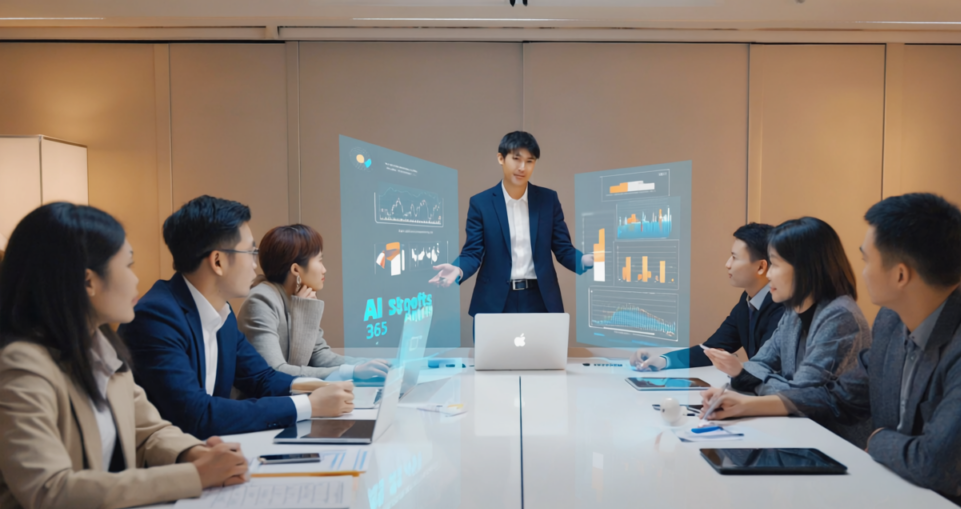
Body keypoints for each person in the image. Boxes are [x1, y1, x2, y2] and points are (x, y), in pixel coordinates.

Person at [700, 193, 961, 509]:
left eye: (867, 260)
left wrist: (876, 438)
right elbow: (839, 395)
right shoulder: (891, 321)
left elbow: (937, 465)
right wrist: (746, 405)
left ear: (900, 275)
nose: (861, 271)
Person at [0, 204, 248, 509]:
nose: (137, 280)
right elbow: (48, 491)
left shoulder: (99, 347)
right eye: (128, 265)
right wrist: (193, 476)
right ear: (88, 280)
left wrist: (195, 454)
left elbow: (149, 431)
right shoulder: (22, 365)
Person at [119, 196, 354, 438]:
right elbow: (196, 414)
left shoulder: (222, 312)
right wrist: (310, 405)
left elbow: (262, 378)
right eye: (251, 252)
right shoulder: (157, 318)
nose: (255, 265)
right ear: (218, 261)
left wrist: (326, 388)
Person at [703, 217, 872, 444]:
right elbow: (760, 363)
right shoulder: (794, 310)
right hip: (798, 431)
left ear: (805, 267)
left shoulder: (839, 315)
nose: (769, 274)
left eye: (775, 264)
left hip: (833, 443)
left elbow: (801, 396)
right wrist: (755, 378)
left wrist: (751, 379)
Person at [429, 131, 593, 316]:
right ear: (501, 158)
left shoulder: (548, 200)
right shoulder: (481, 203)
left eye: (529, 161)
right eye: (516, 159)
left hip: (540, 299)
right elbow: (473, 252)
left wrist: (584, 260)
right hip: (495, 299)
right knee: (493, 347)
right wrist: (458, 269)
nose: (522, 167)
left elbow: (563, 248)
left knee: (543, 346)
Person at [238, 224, 389, 380]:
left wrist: (370, 365)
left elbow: (319, 354)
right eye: (319, 260)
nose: (324, 270)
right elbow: (276, 372)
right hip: (262, 402)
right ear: (296, 270)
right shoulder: (261, 301)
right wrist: (352, 372)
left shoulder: (298, 297)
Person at [630, 223, 784, 371]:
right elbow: (712, 349)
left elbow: (767, 368)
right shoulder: (747, 301)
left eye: (734, 258)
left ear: (760, 267)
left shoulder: (783, 307)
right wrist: (663, 360)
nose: (727, 264)